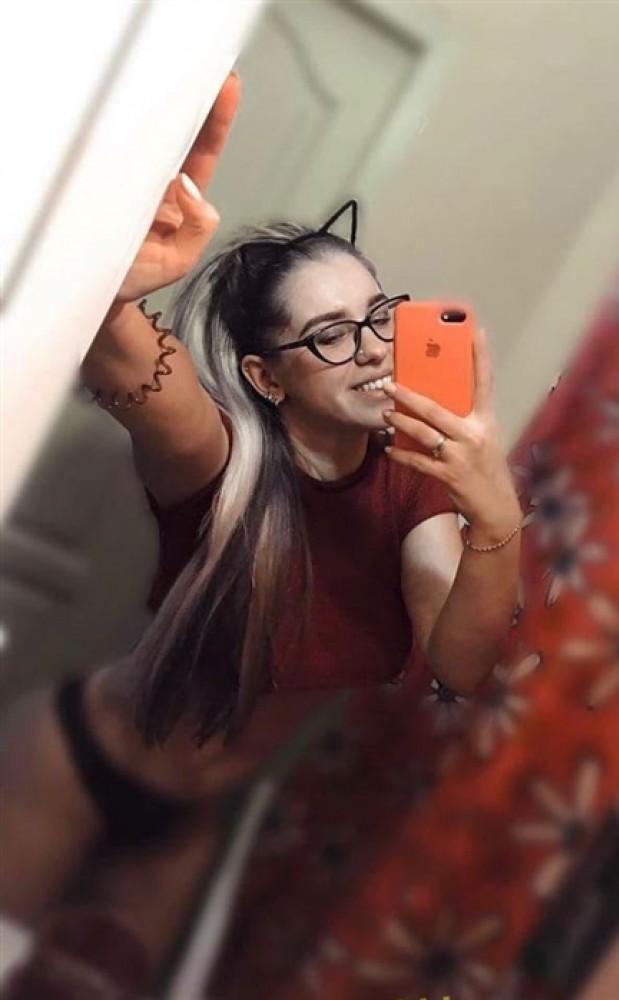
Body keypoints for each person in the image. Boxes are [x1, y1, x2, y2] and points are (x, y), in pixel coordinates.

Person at [0, 72, 521, 937]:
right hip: (78, 763)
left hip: (194, 818)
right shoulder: (220, 461)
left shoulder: (414, 487)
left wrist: (495, 518)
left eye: (378, 317)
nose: (372, 349)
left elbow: (461, 664)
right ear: (265, 378)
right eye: (330, 334)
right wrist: (113, 283)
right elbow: (132, 368)